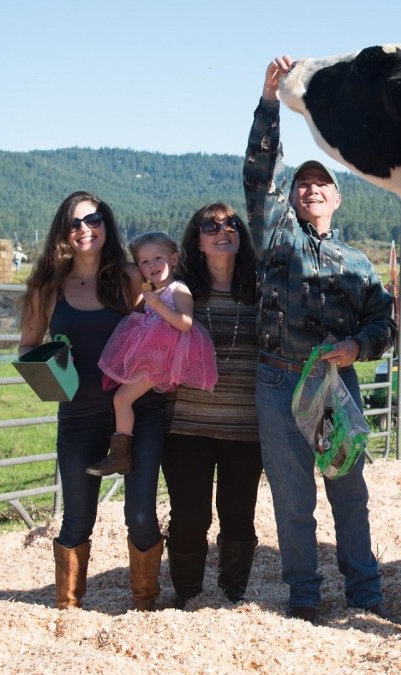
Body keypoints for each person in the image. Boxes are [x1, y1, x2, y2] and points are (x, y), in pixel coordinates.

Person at [245, 55, 395, 624]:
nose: (310, 188)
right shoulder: (276, 240)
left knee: (348, 495)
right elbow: (261, 172)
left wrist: (359, 347)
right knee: (292, 499)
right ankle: (304, 594)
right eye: (303, 182)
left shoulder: (357, 263)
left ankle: (365, 592)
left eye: (321, 183)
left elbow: (385, 324)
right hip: (279, 378)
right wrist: (269, 100)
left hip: (334, 384)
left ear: (337, 198)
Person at [18, 191, 166, 611]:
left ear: (107, 222)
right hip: (78, 415)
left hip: (139, 413)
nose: (85, 229)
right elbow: (28, 346)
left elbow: (164, 320)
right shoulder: (46, 287)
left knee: (140, 515)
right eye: (75, 223)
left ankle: (144, 606)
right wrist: (52, 375)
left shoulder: (131, 276)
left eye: (93, 219)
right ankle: (66, 609)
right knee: (76, 519)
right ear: (62, 233)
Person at [161, 203, 264, 609]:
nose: (223, 230)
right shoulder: (180, 291)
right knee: (189, 516)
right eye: (211, 225)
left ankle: (232, 593)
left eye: (231, 223)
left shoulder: (261, 290)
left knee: (239, 514)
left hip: (245, 426)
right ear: (197, 241)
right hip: (186, 423)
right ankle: (187, 594)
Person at [89, 232, 217, 477]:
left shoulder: (178, 289)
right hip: (153, 356)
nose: (152, 265)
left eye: (158, 258)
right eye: (144, 262)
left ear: (174, 259)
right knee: (121, 397)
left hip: (162, 359)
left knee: (122, 399)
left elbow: (186, 323)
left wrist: (158, 306)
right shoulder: (154, 292)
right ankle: (120, 451)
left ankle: (120, 455)